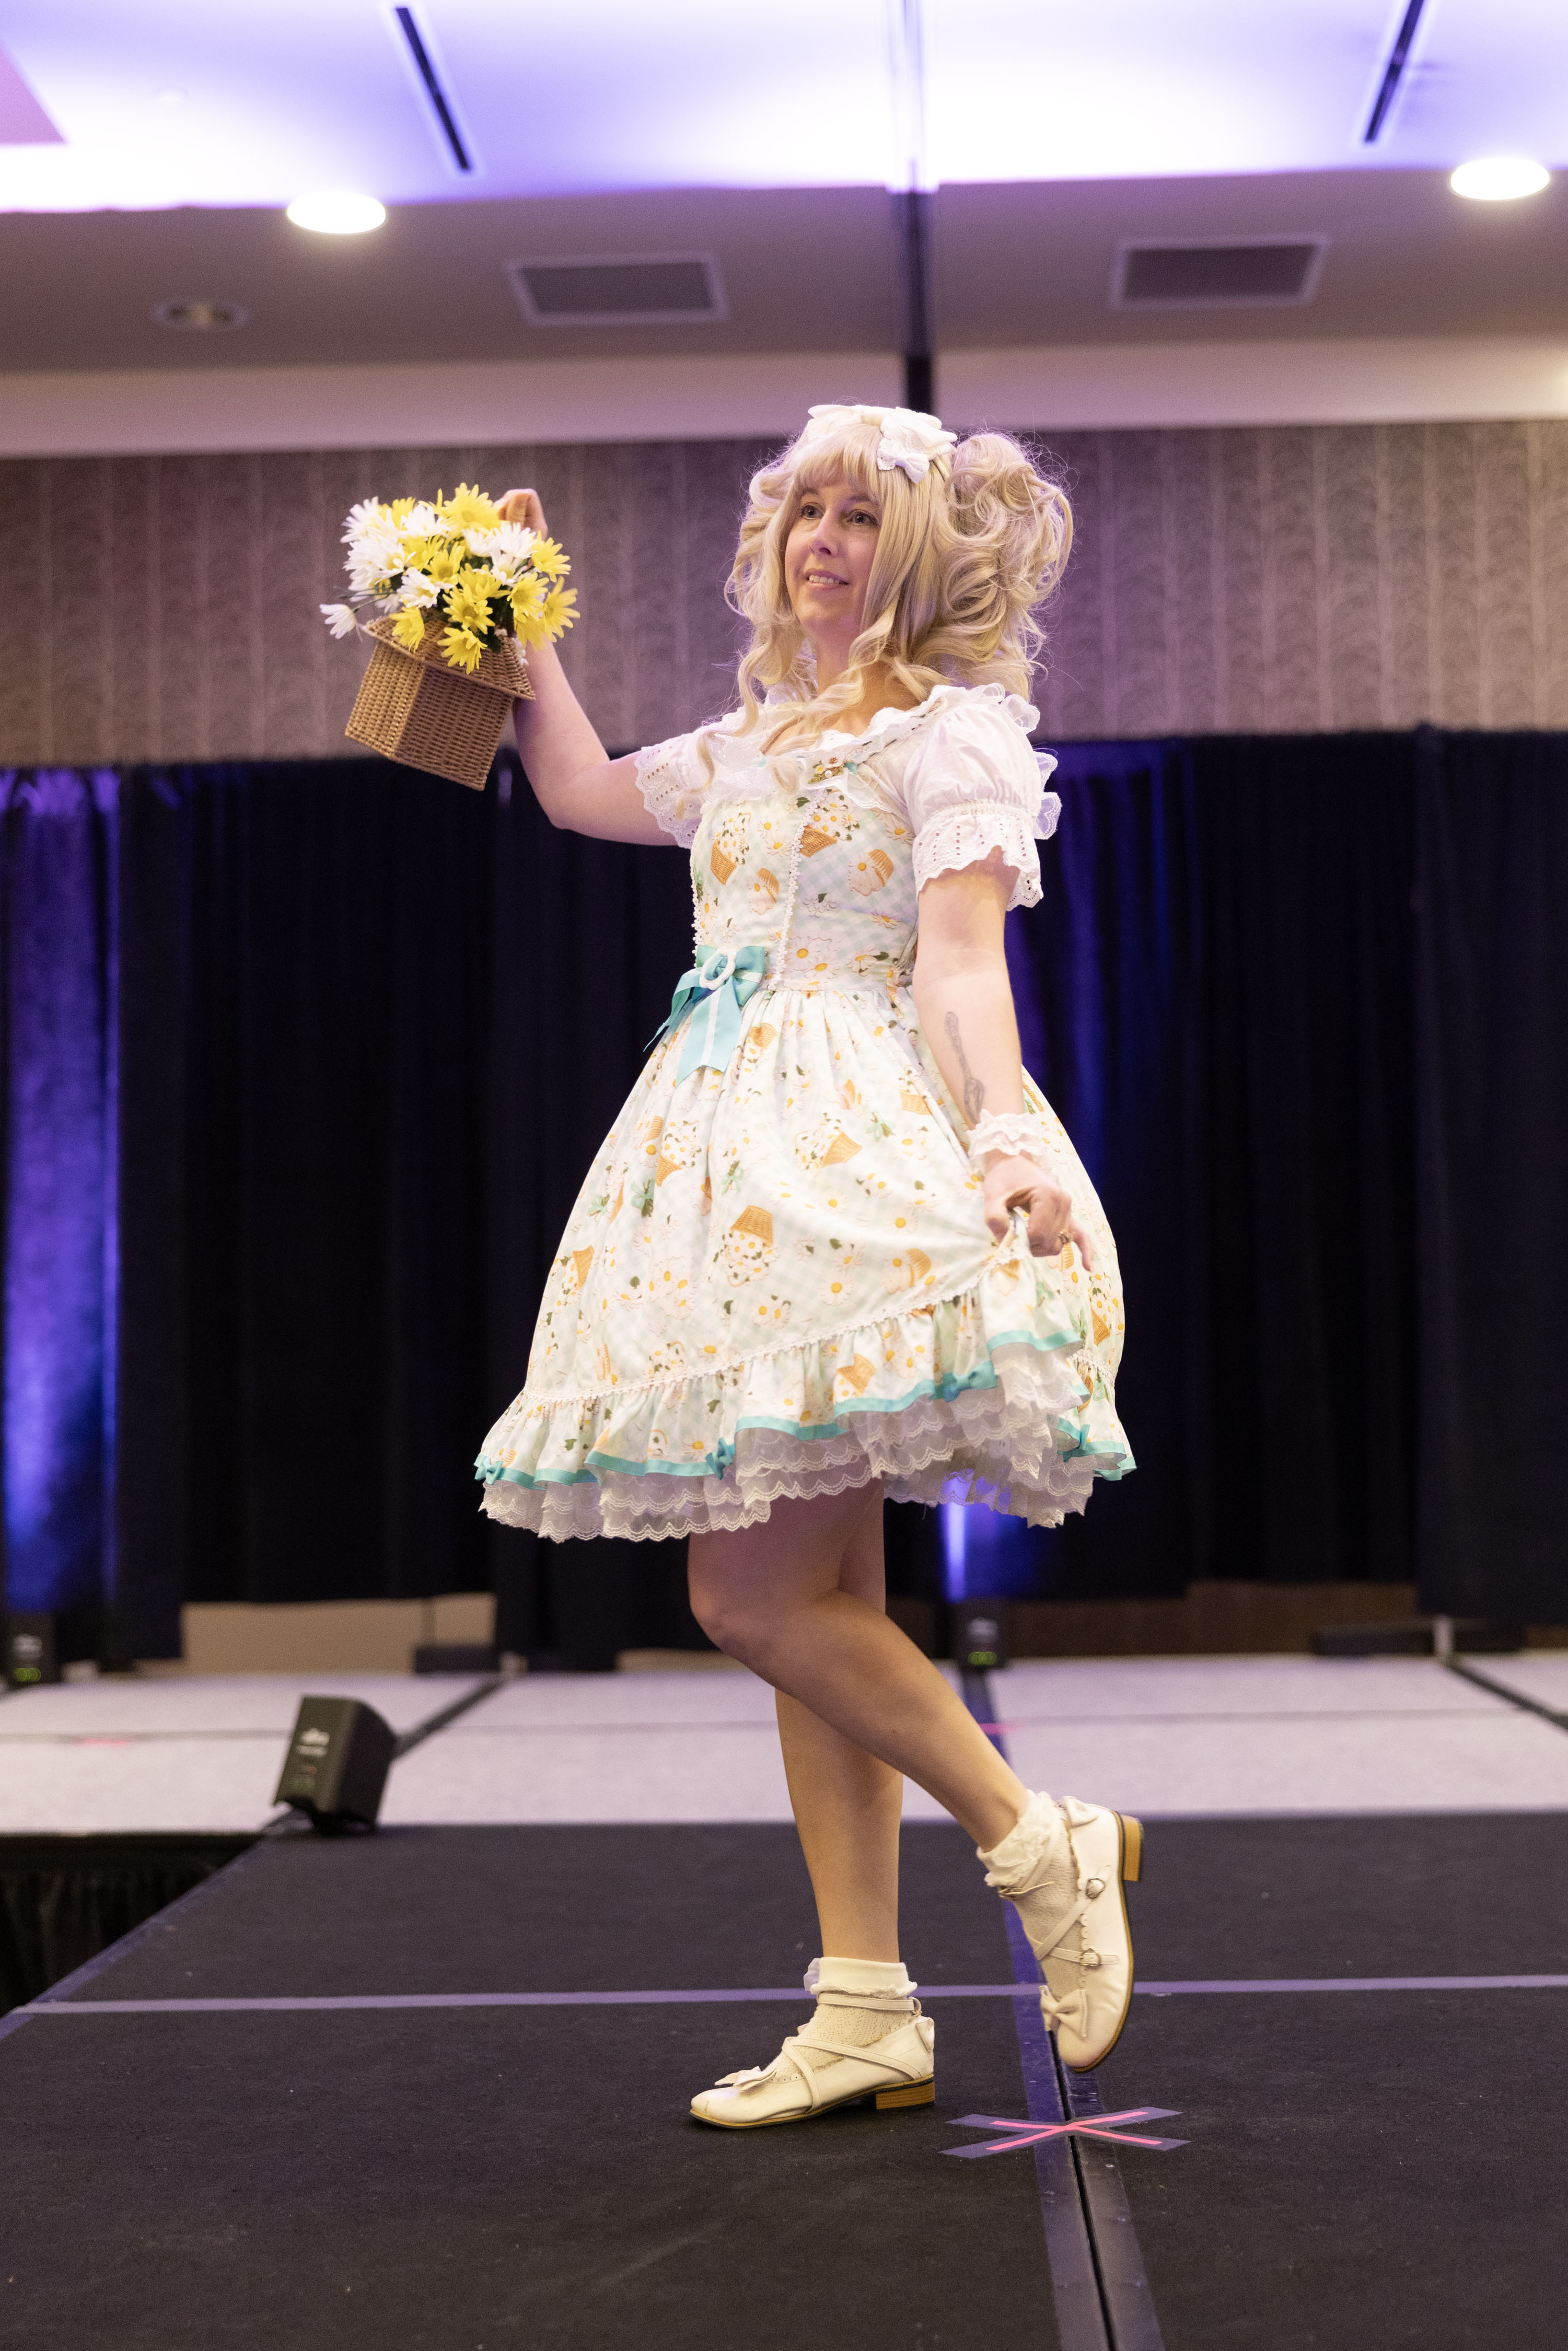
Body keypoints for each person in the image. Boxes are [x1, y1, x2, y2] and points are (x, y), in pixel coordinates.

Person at [475, 403, 1137, 2128]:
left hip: (841, 1154)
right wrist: (516, 626)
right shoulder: (752, 740)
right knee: (815, 1608)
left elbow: (960, 966)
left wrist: (1003, 1133)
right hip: (720, 1161)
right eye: (804, 511)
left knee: (748, 1601)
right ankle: (863, 2007)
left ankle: (1034, 1835)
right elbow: (575, 790)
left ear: (914, 551)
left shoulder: (948, 731)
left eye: (860, 516)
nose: (824, 541)